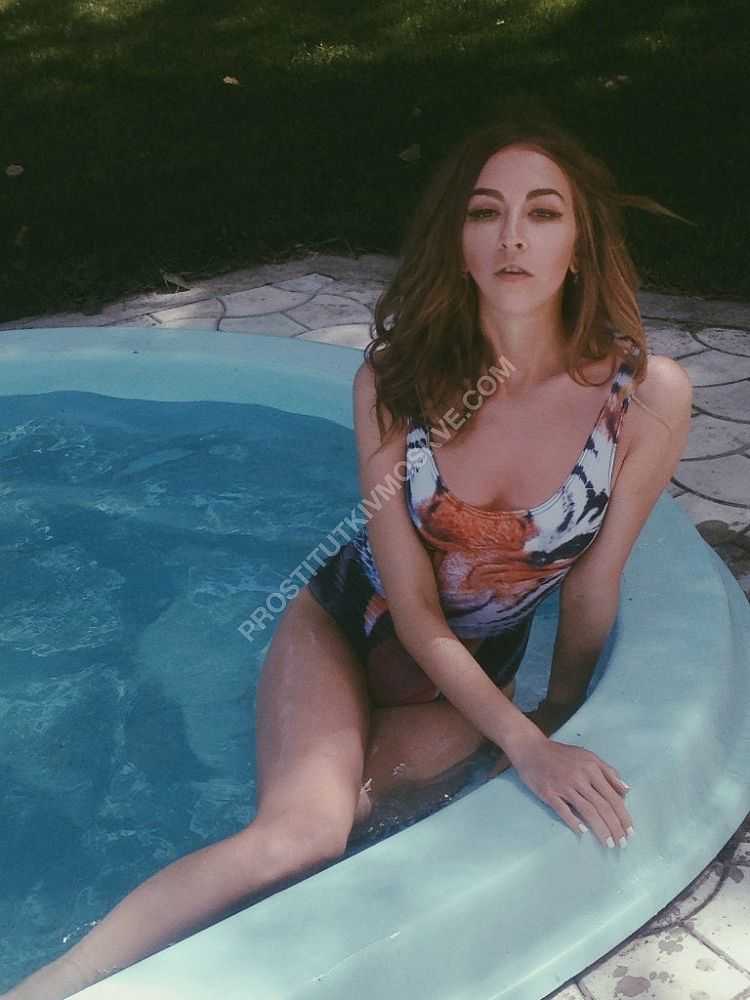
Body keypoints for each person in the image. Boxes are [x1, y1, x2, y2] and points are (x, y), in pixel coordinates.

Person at [1, 96, 695, 1000]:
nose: (512, 239)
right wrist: (524, 744)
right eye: (484, 212)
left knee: (354, 835)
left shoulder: (642, 398)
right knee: (298, 838)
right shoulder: (397, 381)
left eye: (543, 212)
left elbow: (595, 585)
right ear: (456, 239)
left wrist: (560, 718)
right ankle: (52, 984)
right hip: (343, 625)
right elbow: (411, 602)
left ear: (581, 240)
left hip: (467, 672)